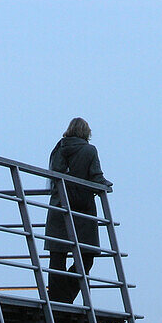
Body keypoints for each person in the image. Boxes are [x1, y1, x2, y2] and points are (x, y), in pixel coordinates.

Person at [44, 117, 112, 304]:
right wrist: (106, 186)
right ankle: (65, 297)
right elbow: (96, 176)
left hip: (58, 207)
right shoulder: (89, 150)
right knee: (87, 256)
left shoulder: (59, 148)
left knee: (57, 256)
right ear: (86, 132)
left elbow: (55, 174)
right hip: (82, 210)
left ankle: (56, 299)